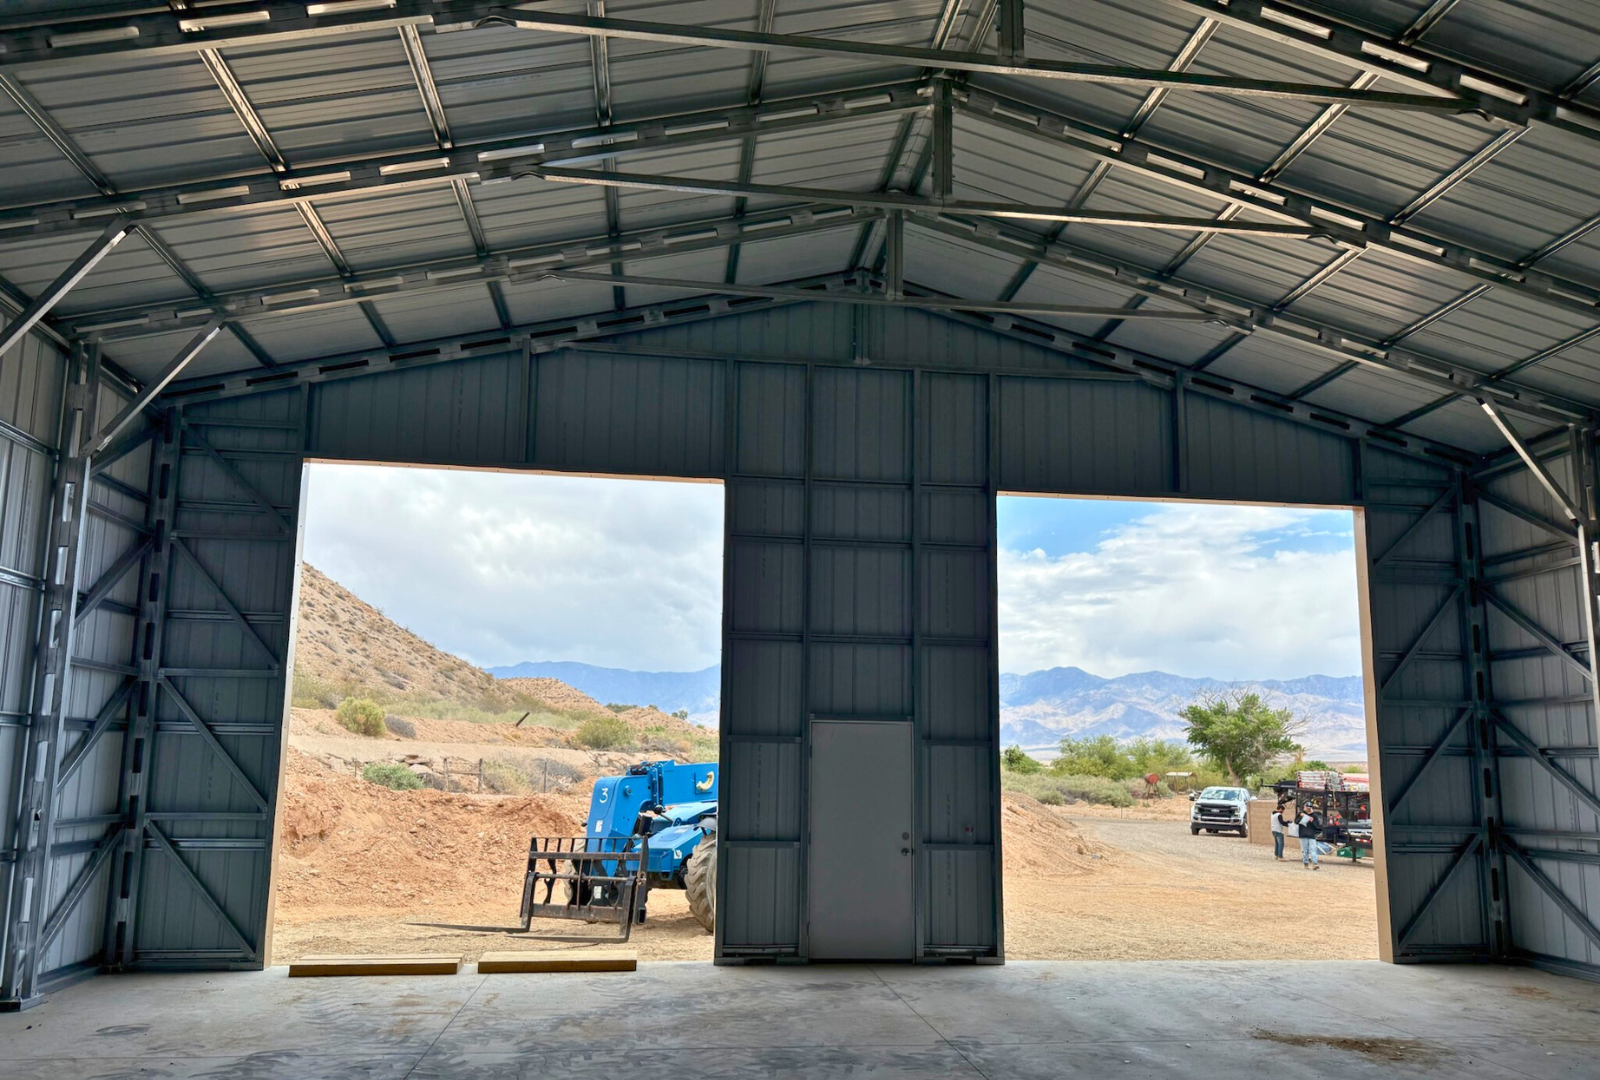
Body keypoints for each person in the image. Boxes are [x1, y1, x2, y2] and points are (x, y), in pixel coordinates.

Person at [1297, 805, 1321, 870]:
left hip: (1311, 835)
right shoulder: (1300, 814)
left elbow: (1317, 826)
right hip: (1303, 834)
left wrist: (1311, 820)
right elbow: (1296, 822)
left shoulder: (1314, 816)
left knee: (1313, 849)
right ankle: (1306, 863)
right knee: (1305, 850)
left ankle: (1315, 863)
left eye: (1309, 808)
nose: (1307, 809)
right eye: (1306, 808)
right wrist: (1302, 817)